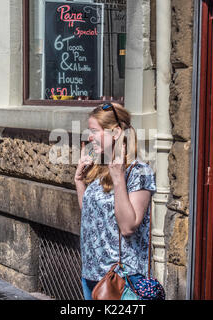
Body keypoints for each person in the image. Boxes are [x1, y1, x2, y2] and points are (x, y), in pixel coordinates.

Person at [74, 103, 157, 300]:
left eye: (94, 131)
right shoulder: (98, 169)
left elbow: (128, 227)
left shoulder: (138, 172)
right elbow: (89, 215)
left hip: (122, 277)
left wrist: (119, 179)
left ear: (116, 132)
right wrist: (79, 181)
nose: (89, 137)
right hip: (92, 273)